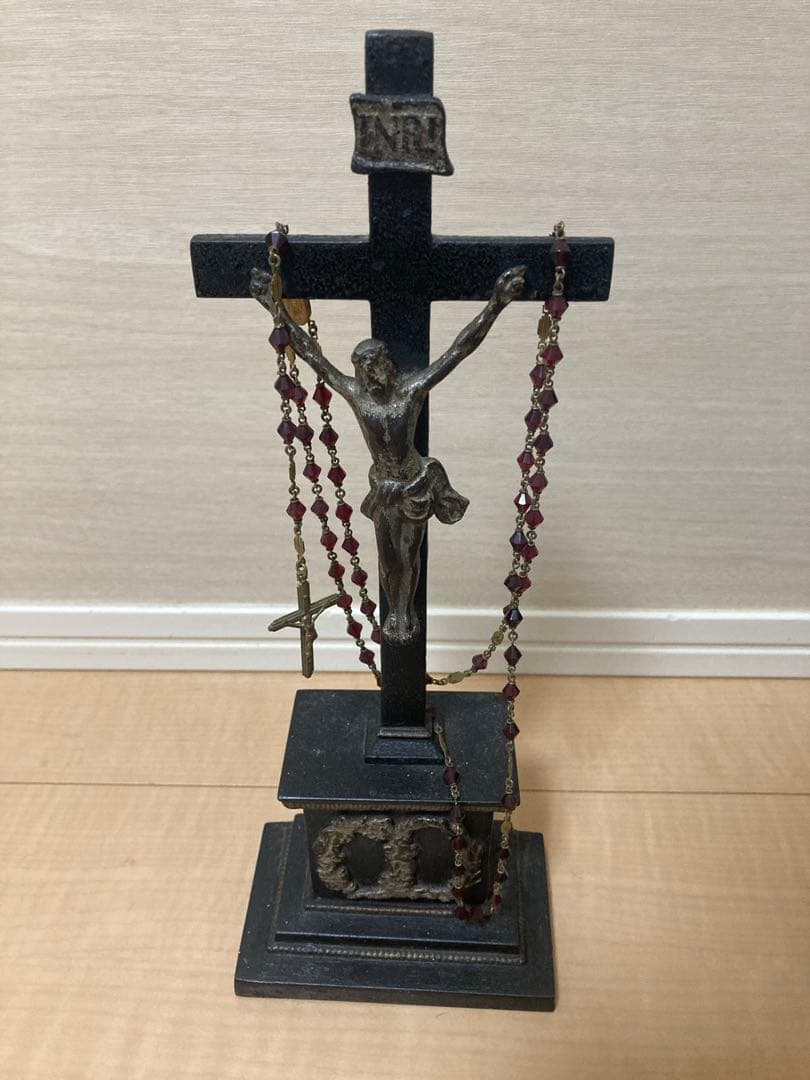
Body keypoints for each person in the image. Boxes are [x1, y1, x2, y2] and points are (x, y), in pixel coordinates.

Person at [251, 265, 526, 645]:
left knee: (409, 554)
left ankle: (403, 611)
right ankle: (393, 610)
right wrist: (273, 306)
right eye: (363, 370)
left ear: (388, 365)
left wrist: (495, 304)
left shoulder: (411, 392)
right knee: (388, 559)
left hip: (414, 484)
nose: (371, 375)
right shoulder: (355, 394)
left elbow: (458, 350)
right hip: (382, 488)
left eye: (376, 366)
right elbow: (311, 354)